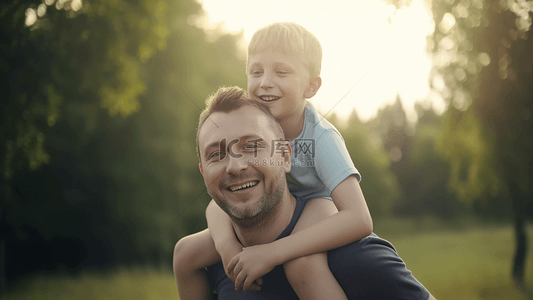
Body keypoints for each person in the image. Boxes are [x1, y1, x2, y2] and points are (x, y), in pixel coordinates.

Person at [174, 22, 374, 300]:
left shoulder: (321, 137)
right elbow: (217, 202)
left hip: (317, 206)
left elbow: (360, 219)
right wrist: (228, 247)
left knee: (302, 266)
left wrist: (274, 251)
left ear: (311, 86)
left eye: (281, 71)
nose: (265, 81)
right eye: (256, 72)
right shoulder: (249, 125)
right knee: (185, 253)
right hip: (272, 209)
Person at [194, 86, 435, 299]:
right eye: (216, 154)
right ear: (204, 172)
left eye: (253, 146)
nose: (235, 166)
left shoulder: (360, 263)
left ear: (285, 156)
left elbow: (360, 219)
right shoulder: (219, 270)